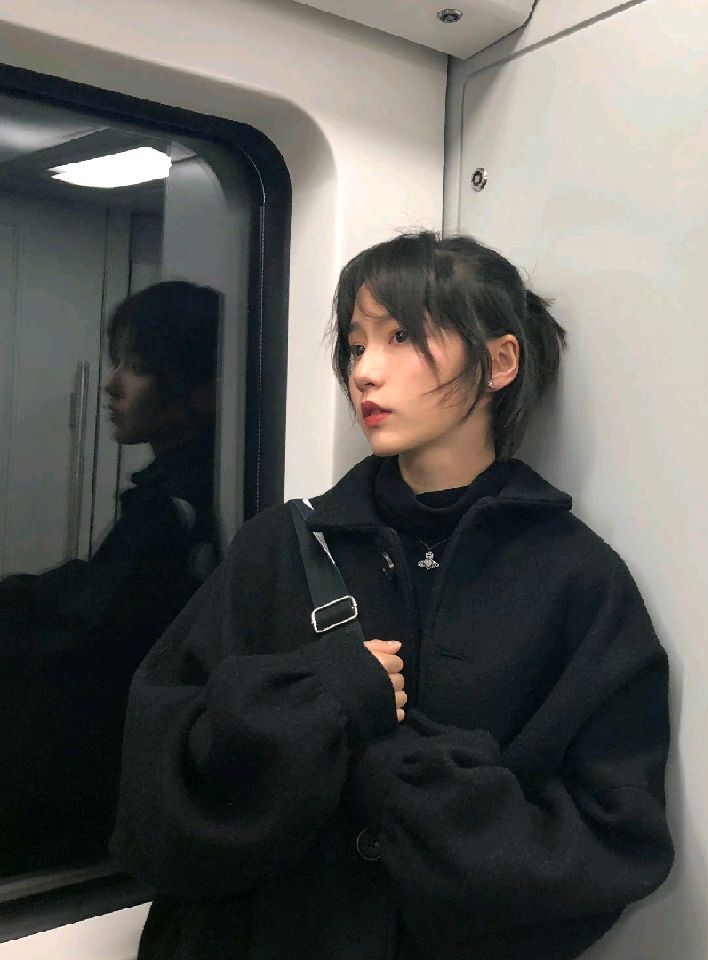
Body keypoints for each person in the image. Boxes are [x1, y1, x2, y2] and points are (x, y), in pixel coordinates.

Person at [110, 234, 673, 960]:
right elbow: (155, 788)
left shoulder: (576, 577)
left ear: (500, 362)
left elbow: (614, 842)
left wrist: (408, 787)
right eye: (355, 345)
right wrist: (316, 700)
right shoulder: (279, 546)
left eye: (402, 336)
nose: (364, 372)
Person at [0, 281, 222, 875]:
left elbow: (91, 629)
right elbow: (94, 588)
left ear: (200, 391)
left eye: (139, 367)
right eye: (118, 361)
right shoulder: (178, 490)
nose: (113, 384)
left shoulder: (179, 508)